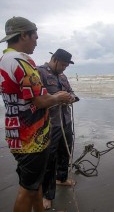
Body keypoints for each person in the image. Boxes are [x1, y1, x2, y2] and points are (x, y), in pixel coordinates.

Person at [0, 17, 72, 212]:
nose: (37, 42)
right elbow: (39, 101)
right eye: (35, 37)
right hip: (31, 138)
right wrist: (58, 97)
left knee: (33, 184)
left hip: (17, 133)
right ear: (23, 35)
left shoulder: (4, 61)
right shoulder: (22, 63)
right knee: (27, 190)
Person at [37, 49, 79, 209]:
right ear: (54, 59)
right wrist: (56, 98)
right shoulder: (39, 73)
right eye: (62, 65)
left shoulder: (62, 76)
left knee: (65, 151)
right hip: (50, 124)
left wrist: (70, 98)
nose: (64, 68)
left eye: (66, 66)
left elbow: (73, 94)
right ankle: (47, 195)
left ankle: (61, 179)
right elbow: (37, 99)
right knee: (49, 159)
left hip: (65, 121)